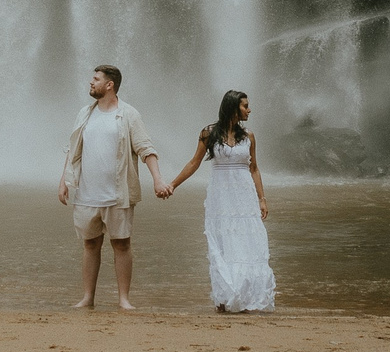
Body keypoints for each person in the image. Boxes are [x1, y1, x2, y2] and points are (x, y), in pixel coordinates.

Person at [58, 63, 172, 310]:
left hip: (117, 193)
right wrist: (63, 183)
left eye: (96, 79)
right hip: (86, 193)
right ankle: (88, 298)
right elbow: (73, 149)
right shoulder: (84, 114)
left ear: (109, 85)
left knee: (121, 243)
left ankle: (124, 299)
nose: (91, 82)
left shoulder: (129, 114)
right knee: (90, 244)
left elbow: (145, 148)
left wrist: (158, 179)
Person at [165, 89, 275, 313]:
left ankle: (245, 297)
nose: (249, 110)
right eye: (245, 106)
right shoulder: (208, 133)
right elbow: (194, 163)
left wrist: (262, 199)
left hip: (244, 198)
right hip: (221, 198)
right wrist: (172, 185)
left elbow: (254, 168)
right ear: (233, 107)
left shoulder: (249, 136)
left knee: (247, 245)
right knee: (224, 245)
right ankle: (225, 297)